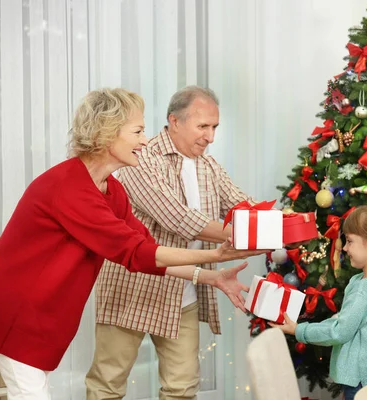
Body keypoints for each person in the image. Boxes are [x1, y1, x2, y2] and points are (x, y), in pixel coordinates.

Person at [0, 88, 265, 399]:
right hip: (14, 310)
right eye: (137, 131)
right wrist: (216, 253)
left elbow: (144, 254)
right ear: (107, 135)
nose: (145, 140)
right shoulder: (69, 188)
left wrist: (211, 276)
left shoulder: (112, 190)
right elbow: (139, 249)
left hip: (40, 314)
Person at [85, 86, 256, 400]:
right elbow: (175, 217)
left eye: (215, 127)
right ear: (174, 121)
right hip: (133, 289)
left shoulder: (209, 166)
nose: (210, 136)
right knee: (107, 386)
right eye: (202, 126)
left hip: (184, 290)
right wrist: (239, 235)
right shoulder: (140, 158)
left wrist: (280, 226)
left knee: (182, 388)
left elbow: (243, 207)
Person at [270, 204, 367, 400]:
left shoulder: (364, 290)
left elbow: (339, 332)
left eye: (350, 241)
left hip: (362, 383)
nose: (344, 248)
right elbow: (348, 322)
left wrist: (298, 330)